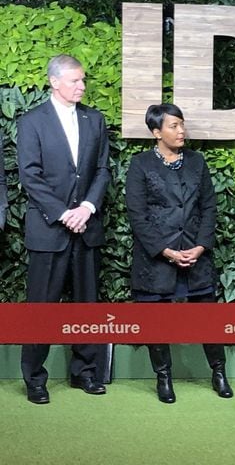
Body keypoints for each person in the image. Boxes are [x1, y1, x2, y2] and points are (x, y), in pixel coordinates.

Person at [17, 54, 111, 404]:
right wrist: (63, 213)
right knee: (41, 307)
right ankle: (35, 379)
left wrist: (86, 207)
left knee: (86, 305)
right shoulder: (32, 122)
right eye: (75, 81)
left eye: (83, 80)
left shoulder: (95, 120)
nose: (82, 86)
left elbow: (102, 170)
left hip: (86, 228)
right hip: (48, 231)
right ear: (55, 82)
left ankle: (84, 373)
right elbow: (30, 175)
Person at [126, 103, 233, 404]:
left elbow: (209, 206)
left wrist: (200, 245)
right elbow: (138, 215)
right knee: (155, 319)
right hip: (157, 257)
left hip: (196, 254)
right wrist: (167, 251)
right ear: (156, 132)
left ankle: (219, 372)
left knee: (207, 316)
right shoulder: (141, 164)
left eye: (182, 124)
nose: (181, 130)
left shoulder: (197, 162)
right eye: (174, 125)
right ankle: (163, 378)